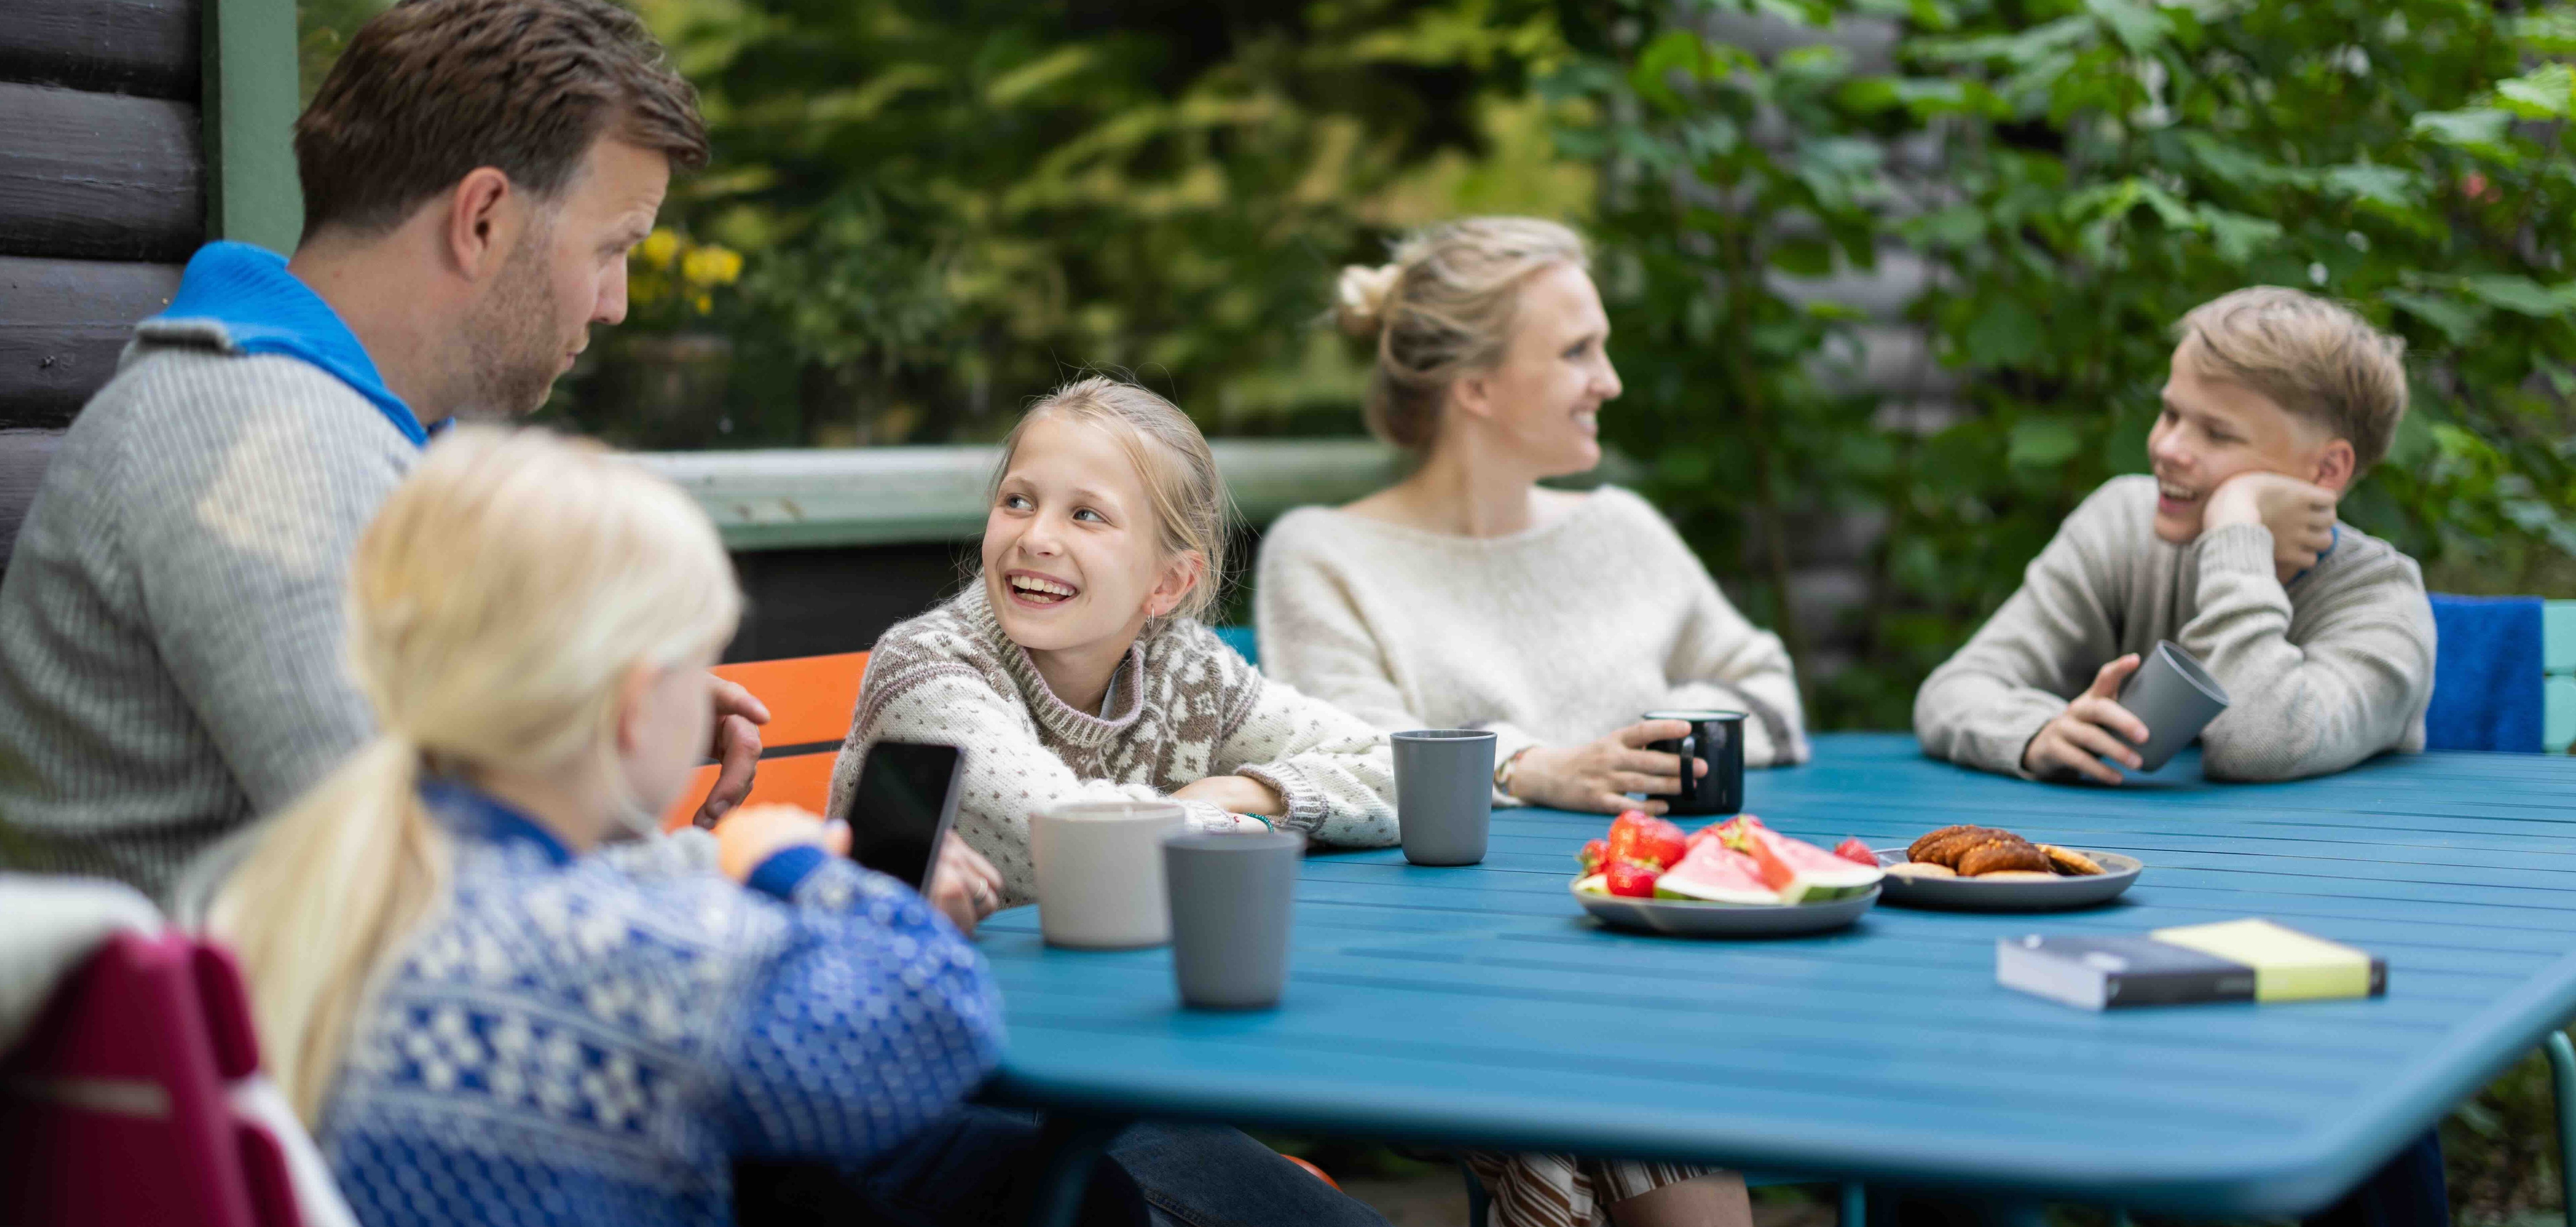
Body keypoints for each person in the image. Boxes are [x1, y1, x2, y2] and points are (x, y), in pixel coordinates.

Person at [0, 0, 767, 899]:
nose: (616, 305)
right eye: (614, 248)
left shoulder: (344, 432)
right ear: (482, 218)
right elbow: (431, 880)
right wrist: (753, 874)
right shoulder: (257, 441)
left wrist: (602, 719)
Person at [207, 427, 1004, 1227]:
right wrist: (797, 866)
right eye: (700, 666)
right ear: (635, 707)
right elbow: (942, 1026)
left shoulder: (283, 895)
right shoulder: (648, 962)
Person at [1256, 216, 1772, 1227]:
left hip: (1652, 945)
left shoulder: (1620, 528)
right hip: (1455, 974)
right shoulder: (1320, 554)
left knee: (1624, 1058)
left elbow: (1760, 682)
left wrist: (1667, 740)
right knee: (1623, 1073)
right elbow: (1346, 753)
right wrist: (1537, 765)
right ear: (1476, 389)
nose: (1609, 380)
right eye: (1578, 351)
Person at [835, 376, 1401, 907]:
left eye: (1085, 515)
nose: (1036, 538)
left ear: (1168, 583)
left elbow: (1401, 773)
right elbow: (1078, 844)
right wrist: (1234, 825)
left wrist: (1241, 794)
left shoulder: (1186, 668)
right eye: (1018, 502)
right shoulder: (927, 669)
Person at [1913, 286, 2434, 784]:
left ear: (2325, 471)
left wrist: (2235, 530)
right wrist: (2035, 732)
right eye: (2169, 413)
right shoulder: (2122, 524)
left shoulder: (2383, 604)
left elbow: (2258, 744)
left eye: (2217, 434)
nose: (2166, 448)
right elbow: (1952, 691)